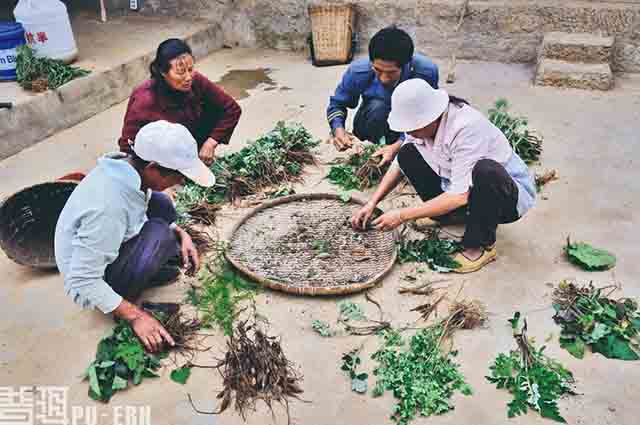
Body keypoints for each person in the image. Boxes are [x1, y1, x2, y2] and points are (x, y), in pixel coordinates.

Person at [55, 121, 216, 352]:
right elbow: (82, 280)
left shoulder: (130, 168)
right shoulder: (108, 208)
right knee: (159, 235)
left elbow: (142, 208)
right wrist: (136, 316)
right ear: (152, 167)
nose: (181, 182)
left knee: (163, 205)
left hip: (108, 239)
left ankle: (146, 263)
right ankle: (127, 286)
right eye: (178, 175)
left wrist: (181, 234)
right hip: (89, 281)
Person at [352, 79, 536, 273]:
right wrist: (372, 203)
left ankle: (479, 246)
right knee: (406, 154)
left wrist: (401, 215)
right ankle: (445, 215)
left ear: (431, 118)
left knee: (485, 171)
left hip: (505, 198)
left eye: (413, 127)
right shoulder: (421, 127)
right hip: (462, 187)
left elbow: (460, 195)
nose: (409, 132)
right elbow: (399, 164)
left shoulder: (467, 127)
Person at [118, 38, 242, 166]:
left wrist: (211, 142)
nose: (188, 77)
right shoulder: (144, 99)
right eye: (181, 72)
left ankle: (197, 156)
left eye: (190, 69)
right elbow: (128, 144)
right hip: (163, 158)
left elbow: (232, 109)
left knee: (215, 105)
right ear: (163, 72)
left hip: (191, 143)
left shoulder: (196, 81)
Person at [327, 26, 438, 166]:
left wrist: (398, 145)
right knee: (378, 107)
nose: (384, 78)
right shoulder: (358, 71)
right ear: (371, 61)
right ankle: (373, 150)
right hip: (371, 120)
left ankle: (399, 150)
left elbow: (428, 118)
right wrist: (338, 130)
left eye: (391, 72)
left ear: (406, 64)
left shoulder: (425, 72)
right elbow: (337, 104)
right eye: (378, 70)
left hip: (410, 128)